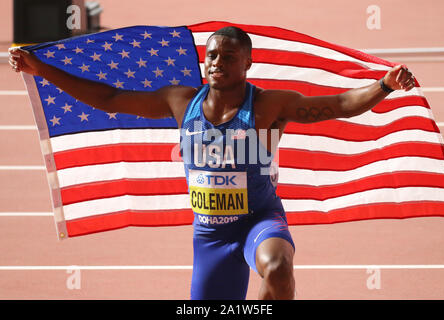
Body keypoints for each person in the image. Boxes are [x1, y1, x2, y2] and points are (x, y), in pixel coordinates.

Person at [9, 26, 415, 300]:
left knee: (276, 268)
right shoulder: (180, 101)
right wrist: (39, 67)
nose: (217, 62)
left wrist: (384, 85)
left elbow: (339, 105)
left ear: (247, 64)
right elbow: (110, 99)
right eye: (212, 55)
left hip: (258, 220)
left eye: (228, 56)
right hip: (210, 237)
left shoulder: (268, 105)